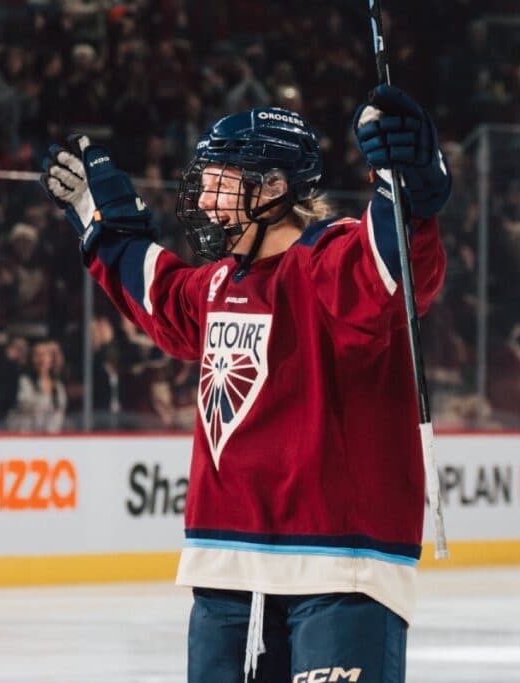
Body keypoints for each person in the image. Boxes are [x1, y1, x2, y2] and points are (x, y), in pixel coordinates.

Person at [42, 84, 451, 682]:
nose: (204, 200)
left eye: (219, 181)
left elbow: (394, 265)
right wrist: (100, 218)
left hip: (339, 576)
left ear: (273, 188)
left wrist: (411, 188)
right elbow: (153, 288)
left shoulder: (329, 264)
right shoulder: (215, 287)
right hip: (226, 577)